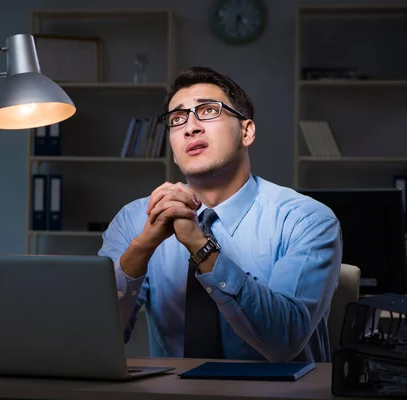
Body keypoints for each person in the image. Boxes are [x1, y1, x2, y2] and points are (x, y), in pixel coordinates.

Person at [98, 66, 342, 362]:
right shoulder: (135, 219)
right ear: (174, 150)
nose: (191, 127)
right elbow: (94, 338)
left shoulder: (307, 219)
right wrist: (143, 246)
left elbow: (284, 341)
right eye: (178, 119)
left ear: (246, 131)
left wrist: (199, 246)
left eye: (208, 111)